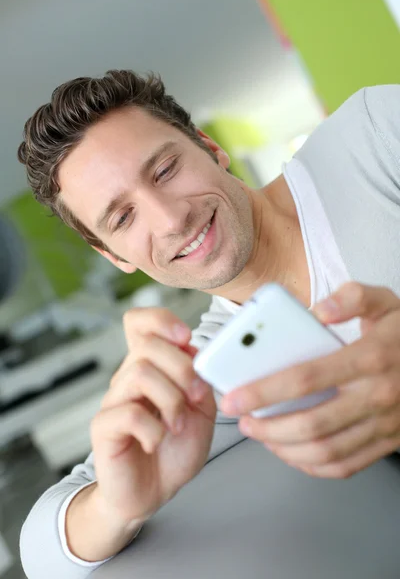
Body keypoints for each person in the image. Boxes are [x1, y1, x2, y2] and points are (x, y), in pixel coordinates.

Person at [17, 70, 400, 578]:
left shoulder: (376, 135)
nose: (169, 219)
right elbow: (43, 558)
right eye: (122, 218)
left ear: (209, 147)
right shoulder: (216, 371)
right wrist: (117, 504)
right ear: (112, 255)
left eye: (166, 170)